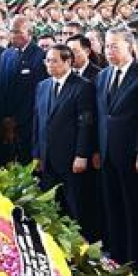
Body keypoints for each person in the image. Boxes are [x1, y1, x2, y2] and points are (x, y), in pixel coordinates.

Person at [95, 26, 138, 269]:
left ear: (129, 46)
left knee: (134, 208)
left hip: (132, 153)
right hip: (108, 152)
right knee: (112, 206)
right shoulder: (102, 76)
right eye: (107, 46)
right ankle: (117, 256)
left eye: (114, 46)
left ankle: (136, 259)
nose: (109, 51)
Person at [32, 44, 97, 240]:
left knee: (75, 206)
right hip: (47, 158)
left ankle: (81, 250)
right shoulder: (42, 86)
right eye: (47, 61)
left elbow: (86, 124)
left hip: (71, 158)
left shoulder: (82, 86)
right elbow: (37, 122)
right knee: (50, 208)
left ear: (68, 62)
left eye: (54, 61)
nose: (49, 65)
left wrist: (81, 155)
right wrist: (36, 154)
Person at [0, 15, 48, 165]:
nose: (13, 35)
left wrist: (18, 120)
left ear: (29, 33)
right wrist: (5, 117)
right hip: (7, 121)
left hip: (28, 122)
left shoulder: (40, 56)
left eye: (18, 31)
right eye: (11, 31)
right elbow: (2, 88)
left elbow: (37, 93)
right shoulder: (6, 55)